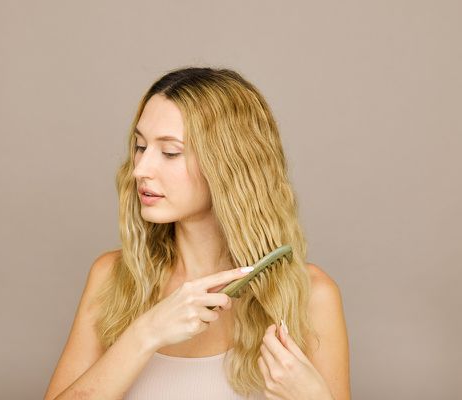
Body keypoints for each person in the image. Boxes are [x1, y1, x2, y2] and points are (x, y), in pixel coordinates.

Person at [44, 67, 350, 400]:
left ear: (230, 164)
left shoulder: (312, 296)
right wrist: (146, 333)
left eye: (170, 152)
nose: (140, 169)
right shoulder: (111, 278)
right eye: (140, 146)